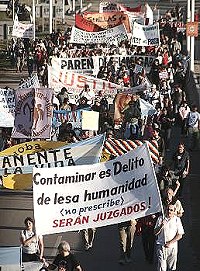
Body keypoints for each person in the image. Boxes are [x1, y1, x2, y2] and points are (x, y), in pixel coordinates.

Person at [154, 204, 184, 271]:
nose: (169, 211)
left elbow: (180, 235)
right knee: (161, 268)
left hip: (172, 247)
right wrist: (161, 225)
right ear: (165, 210)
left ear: (174, 211)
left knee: (172, 268)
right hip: (161, 246)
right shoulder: (161, 218)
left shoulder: (177, 220)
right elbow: (155, 233)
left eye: (171, 210)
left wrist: (170, 242)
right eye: (167, 209)